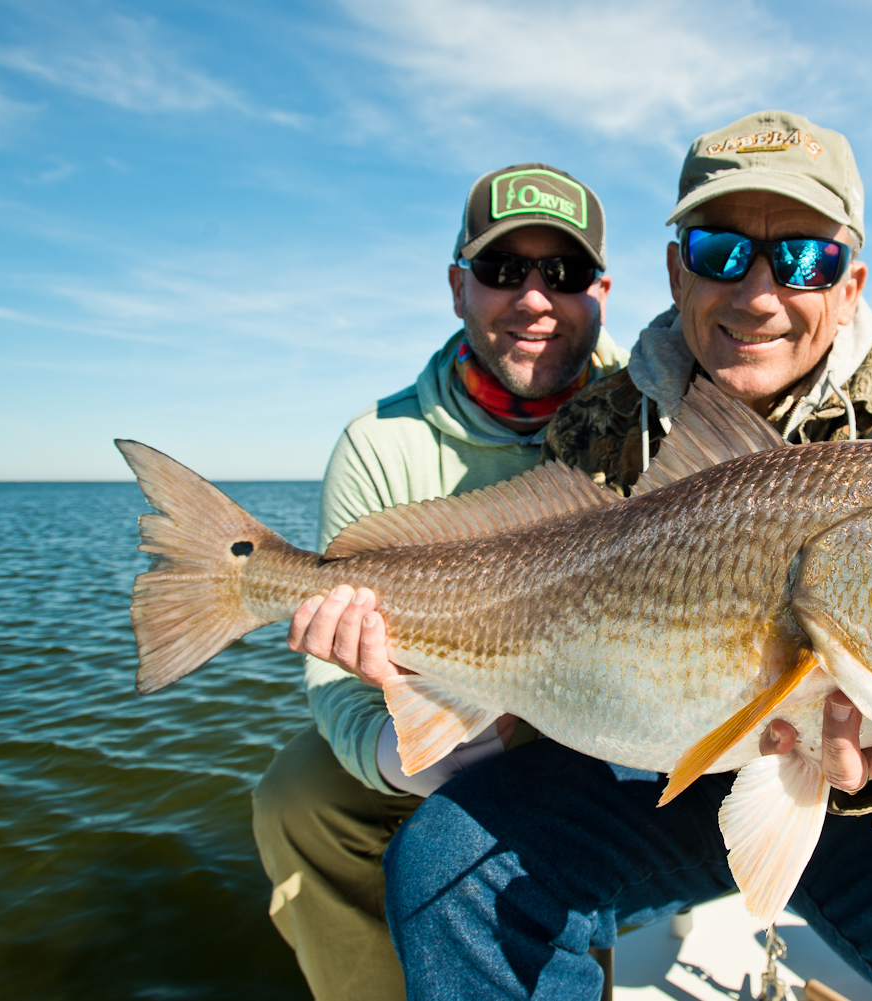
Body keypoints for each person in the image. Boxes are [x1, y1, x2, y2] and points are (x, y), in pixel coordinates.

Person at [303, 113, 872, 1000]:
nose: (758, 293)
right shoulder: (595, 423)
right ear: (676, 268)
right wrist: (425, 679)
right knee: (446, 865)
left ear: (851, 282)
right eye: (720, 249)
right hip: (645, 776)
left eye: (805, 260)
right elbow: (532, 618)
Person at [251, 162, 629, 1001]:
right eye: (502, 270)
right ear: (458, 286)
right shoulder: (379, 443)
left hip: (614, 718)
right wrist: (414, 755)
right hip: (455, 709)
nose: (534, 298)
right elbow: (334, 692)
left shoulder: (649, 411)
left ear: (602, 290)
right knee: (296, 796)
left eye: (563, 273)